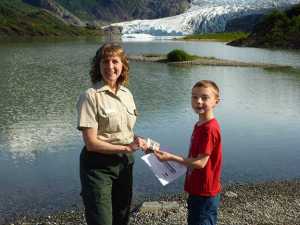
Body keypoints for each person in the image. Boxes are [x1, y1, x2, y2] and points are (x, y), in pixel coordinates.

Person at [76, 43, 143, 225]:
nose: (110, 67)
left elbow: (124, 131)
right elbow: (91, 143)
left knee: (122, 217)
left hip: (125, 164)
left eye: (115, 61)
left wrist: (139, 142)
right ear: (98, 66)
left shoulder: (127, 94)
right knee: (101, 219)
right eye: (105, 61)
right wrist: (127, 147)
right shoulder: (90, 96)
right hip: (98, 167)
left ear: (123, 66)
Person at [154, 80, 222, 225]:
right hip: (197, 188)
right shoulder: (199, 124)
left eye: (205, 97)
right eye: (194, 97)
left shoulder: (209, 129)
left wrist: (171, 157)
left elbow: (200, 163)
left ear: (216, 101)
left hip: (205, 192)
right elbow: (194, 158)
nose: (198, 101)